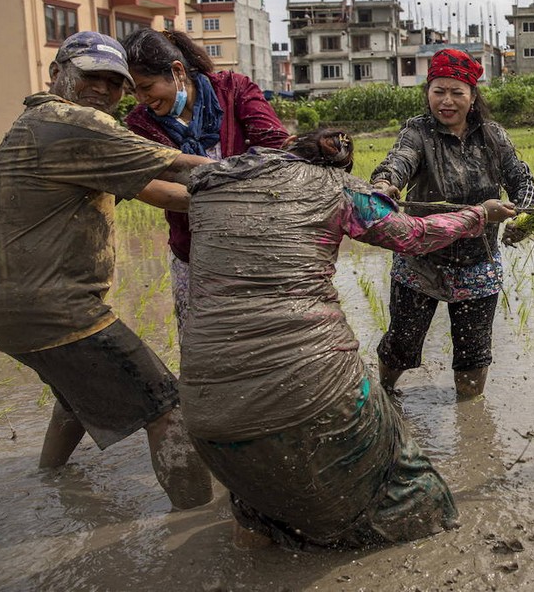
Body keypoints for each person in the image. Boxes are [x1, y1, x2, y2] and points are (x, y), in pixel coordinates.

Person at [180, 128, 516, 549]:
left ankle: (255, 564)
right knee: (416, 492)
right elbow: (412, 235)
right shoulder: (338, 189)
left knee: (257, 503)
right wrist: (479, 215)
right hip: (312, 389)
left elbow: (163, 175)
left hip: (203, 405)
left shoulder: (215, 184)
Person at [0, 31, 213, 509]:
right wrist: (269, 180)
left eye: (115, 82)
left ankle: (50, 481)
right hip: (59, 310)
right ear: (58, 75)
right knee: (170, 410)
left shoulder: (31, 125)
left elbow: (158, 192)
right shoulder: (73, 121)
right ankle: (192, 528)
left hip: (6, 313)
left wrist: (221, 203)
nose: (103, 90)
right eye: (92, 76)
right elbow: (177, 170)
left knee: (75, 395)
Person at [369, 48, 534, 399]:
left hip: (478, 262)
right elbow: (398, 161)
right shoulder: (418, 133)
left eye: (456, 92)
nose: (446, 101)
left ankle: (471, 420)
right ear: (427, 93)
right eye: (438, 91)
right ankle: (383, 395)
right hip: (422, 261)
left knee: (474, 354)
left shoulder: (493, 136)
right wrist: (385, 184)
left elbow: (521, 179)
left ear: (472, 96)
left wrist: (522, 212)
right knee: (402, 342)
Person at [121, 28, 289, 335]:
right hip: (194, 254)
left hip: (257, 244)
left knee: (264, 340)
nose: (143, 99)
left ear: (177, 71)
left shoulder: (233, 89)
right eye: (134, 92)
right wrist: (224, 194)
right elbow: (153, 181)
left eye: (147, 87)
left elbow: (275, 147)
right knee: (204, 346)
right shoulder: (140, 123)